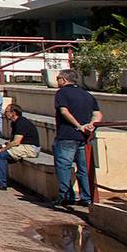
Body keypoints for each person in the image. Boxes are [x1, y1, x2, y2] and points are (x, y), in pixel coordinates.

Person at [51, 69, 101, 206]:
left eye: (58, 78)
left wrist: (78, 125)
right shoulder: (87, 95)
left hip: (67, 134)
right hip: (84, 137)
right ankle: (87, 197)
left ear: (64, 80)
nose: (57, 81)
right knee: (83, 168)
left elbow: (64, 111)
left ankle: (66, 196)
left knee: (64, 166)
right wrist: (90, 125)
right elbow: (97, 114)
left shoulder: (61, 93)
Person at [0, 103, 38, 190]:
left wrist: (2, 150)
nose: (5, 114)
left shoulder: (21, 122)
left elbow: (16, 141)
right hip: (22, 146)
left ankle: (1, 183)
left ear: (13, 113)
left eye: (7, 112)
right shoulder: (14, 123)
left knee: (1, 155)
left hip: (30, 148)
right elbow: (12, 141)